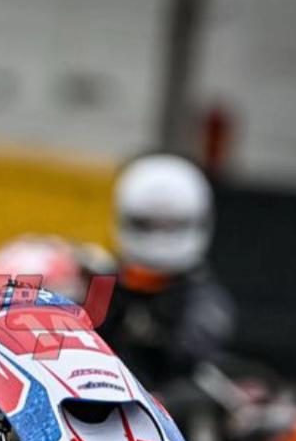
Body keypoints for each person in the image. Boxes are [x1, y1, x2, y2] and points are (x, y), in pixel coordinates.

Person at [96, 153, 236, 388]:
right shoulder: (102, 285)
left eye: (170, 226)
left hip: (168, 403)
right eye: (147, 225)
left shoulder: (205, 300)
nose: (159, 239)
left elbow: (186, 357)